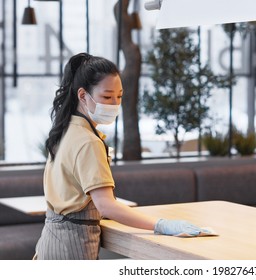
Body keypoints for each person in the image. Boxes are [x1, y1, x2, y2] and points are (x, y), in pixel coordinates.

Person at [34, 52, 209, 260]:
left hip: (51, 241)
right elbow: (106, 205)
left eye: (119, 96)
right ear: (82, 95)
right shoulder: (88, 141)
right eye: (107, 97)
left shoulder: (65, 130)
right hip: (71, 247)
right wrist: (160, 225)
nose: (114, 104)